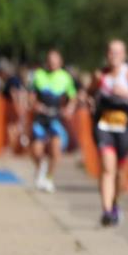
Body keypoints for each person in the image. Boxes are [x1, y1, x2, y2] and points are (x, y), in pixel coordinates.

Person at [89, 39, 128, 226]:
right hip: (103, 125)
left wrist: (125, 94)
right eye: (111, 52)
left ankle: (114, 202)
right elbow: (87, 92)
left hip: (124, 126)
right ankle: (106, 210)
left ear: (124, 55)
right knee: (107, 168)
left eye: (118, 52)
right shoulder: (100, 74)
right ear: (106, 54)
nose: (114, 56)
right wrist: (94, 87)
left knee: (120, 171)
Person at [29, 49, 77, 193]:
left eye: (55, 60)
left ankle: (49, 178)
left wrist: (69, 109)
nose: (52, 63)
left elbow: (73, 97)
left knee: (56, 150)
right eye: (50, 60)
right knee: (36, 151)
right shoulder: (38, 75)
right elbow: (31, 96)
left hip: (56, 118)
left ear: (60, 62)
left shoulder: (65, 77)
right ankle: (40, 167)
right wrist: (35, 105)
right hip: (41, 118)